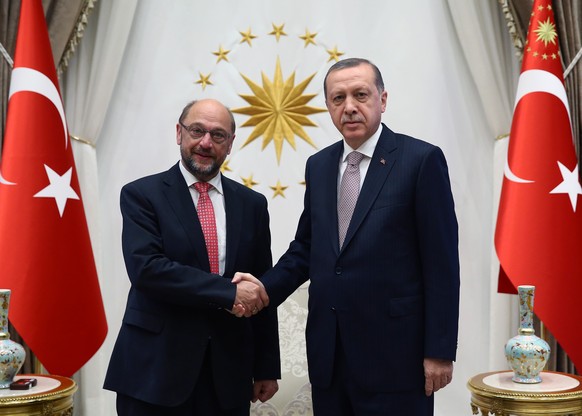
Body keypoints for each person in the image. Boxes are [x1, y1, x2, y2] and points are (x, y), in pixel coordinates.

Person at [235, 58, 460, 415]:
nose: (349, 107)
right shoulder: (320, 165)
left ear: (382, 100)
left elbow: (442, 264)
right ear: (328, 106)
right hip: (331, 356)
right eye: (338, 98)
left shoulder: (421, 160)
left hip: (396, 360)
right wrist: (263, 290)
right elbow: (307, 248)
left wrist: (440, 350)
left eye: (360, 95)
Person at [104, 98, 280, 416]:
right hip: (155, 371)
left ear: (230, 144)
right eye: (197, 130)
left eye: (218, 135)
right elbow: (148, 269)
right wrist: (228, 291)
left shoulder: (252, 204)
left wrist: (267, 366)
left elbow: (259, 285)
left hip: (227, 375)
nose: (205, 142)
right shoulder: (142, 195)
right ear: (179, 133)